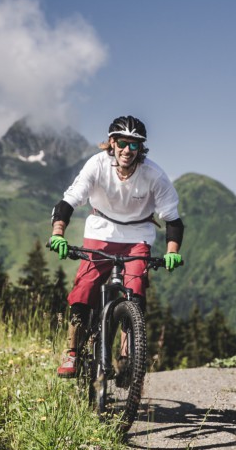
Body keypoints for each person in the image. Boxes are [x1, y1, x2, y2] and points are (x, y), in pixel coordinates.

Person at [48, 115, 184, 377]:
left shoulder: (154, 175)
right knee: (85, 286)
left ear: (141, 148)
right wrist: (58, 234)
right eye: (122, 143)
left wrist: (172, 252)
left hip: (137, 235)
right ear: (112, 142)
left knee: (136, 288)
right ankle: (72, 352)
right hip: (100, 230)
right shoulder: (97, 165)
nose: (127, 150)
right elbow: (69, 201)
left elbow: (173, 220)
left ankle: (127, 352)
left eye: (134, 145)